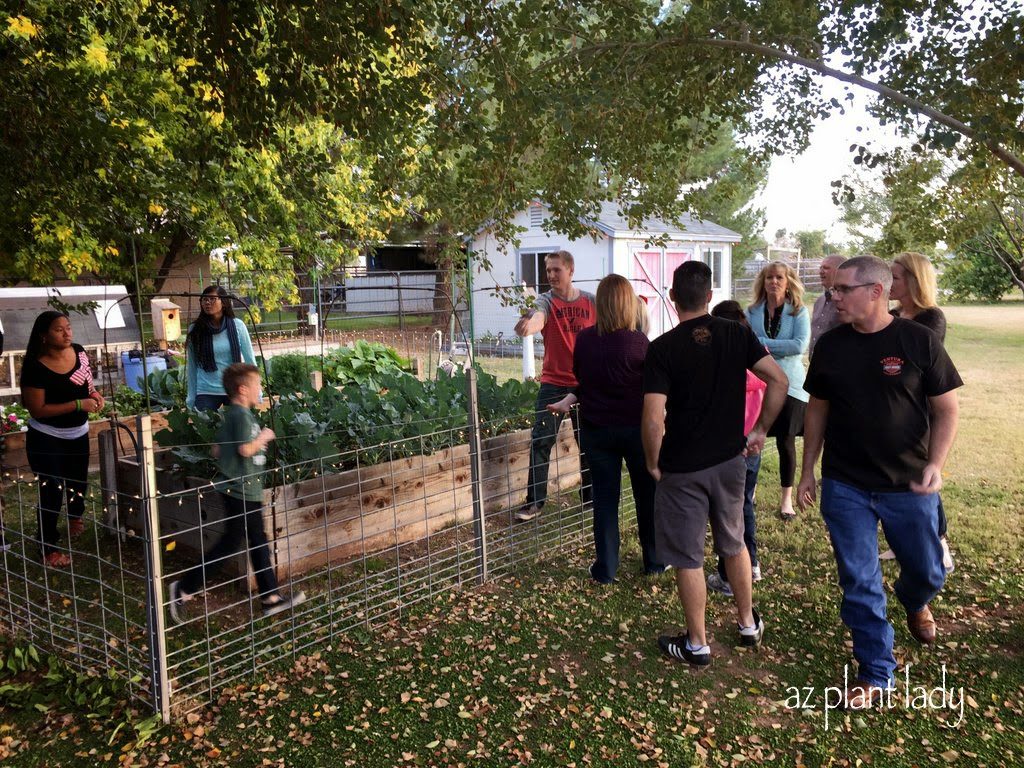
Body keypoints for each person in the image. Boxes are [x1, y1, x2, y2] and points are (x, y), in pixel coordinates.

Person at [797, 256, 961, 708]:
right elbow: (818, 408)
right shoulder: (831, 346)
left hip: (909, 483)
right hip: (846, 483)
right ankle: (877, 670)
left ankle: (914, 599)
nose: (834, 296)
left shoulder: (919, 340)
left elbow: (946, 409)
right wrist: (809, 468)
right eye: (834, 289)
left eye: (843, 289)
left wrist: (936, 463)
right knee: (859, 578)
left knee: (927, 570)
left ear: (875, 292)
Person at [643, 262, 788, 666]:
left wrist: (653, 463)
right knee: (734, 541)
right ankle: (746, 623)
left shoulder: (662, 349)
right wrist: (759, 430)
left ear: (672, 298)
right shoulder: (736, 332)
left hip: (682, 468)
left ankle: (697, 643)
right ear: (709, 296)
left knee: (689, 556)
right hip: (730, 461)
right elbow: (779, 380)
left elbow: (654, 417)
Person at [545, 275, 663, 583]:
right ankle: (654, 561)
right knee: (646, 497)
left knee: (605, 500)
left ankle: (606, 568)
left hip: (598, 432)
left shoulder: (584, 340)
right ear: (628, 304)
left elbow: (583, 379)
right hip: (636, 432)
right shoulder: (641, 343)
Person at [168, 363, 305, 624]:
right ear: (243, 390)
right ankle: (184, 588)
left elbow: (217, 449)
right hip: (242, 490)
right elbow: (244, 449)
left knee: (254, 542)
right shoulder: (241, 416)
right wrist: (263, 437)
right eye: (257, 385)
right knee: (238, 543)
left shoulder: (233, 415)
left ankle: (269, 597)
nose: (260, 389)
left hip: (239, 488)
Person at [882, 251, 955, 572]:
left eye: (895, 277)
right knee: (898, 475)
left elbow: (910, 359)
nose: (889, 283)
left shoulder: (931, 318)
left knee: (924, 473)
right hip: (895, 411)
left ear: (914, 280)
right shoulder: (895, 314)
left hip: (923, 411)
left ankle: (939, 543)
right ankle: (901, 543)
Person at [513, 251, 595, 522]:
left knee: (589, 442)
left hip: (585, 383)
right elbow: (538, 317)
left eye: (556, 270)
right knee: (541, 441)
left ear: (571, 270)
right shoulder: (545, 301)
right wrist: (528, 326)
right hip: (553, 384)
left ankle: (591, 498)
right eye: (548, 270)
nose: (550, 275)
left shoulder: (591, 302)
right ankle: (534, 503)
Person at [20, 311, 105, 567]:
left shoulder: (79, 352)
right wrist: (79, 404)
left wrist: (94, 394)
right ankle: (47, 547)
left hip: (77, 434)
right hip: (47, 437)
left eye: (68, 327)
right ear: (43, 336)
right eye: (59, 330)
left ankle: (75, 517)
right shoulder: (36, 366)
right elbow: (38, 409)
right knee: (52, 491)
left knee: (79, 481)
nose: (68, 333)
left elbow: (87, 385)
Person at [704, 300, 767, 596]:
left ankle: (726, 576)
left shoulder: (721, 361)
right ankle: (751, 564)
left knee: (725, 513)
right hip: (752, 442)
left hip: (726, 446)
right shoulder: (759, 359)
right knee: (744, 505)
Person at [746, 261, 810, 520]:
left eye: (779, 277)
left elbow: (798, 346)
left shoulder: (799, 312)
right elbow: (744, 341)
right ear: (763, 281)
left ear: (788, 281)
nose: (774, 282)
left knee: (786, 442)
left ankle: (786, 501)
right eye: (769, 277)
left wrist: (761, 344)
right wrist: (767, 346)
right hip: (759, 385)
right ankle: (749, 492)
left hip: (792, 386)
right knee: (752, 439)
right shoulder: (751, 311)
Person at [186, 285, 257, 411]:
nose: (207, 303)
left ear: (223, 302)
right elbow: (192, 365)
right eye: (204, 299)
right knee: (203, 428)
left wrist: (256, 391)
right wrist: (191, 397)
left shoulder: (238, 326)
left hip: (234, 390)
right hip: (206, 391)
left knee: (237, 428)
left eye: (212, 299)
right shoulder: (195, 329)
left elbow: (250, 359)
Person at [809, 255, 847, 357]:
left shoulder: (847, 302)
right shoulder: (819, 301)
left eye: (826, 268)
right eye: (820, 268)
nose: (821, 271)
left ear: (840, 271)